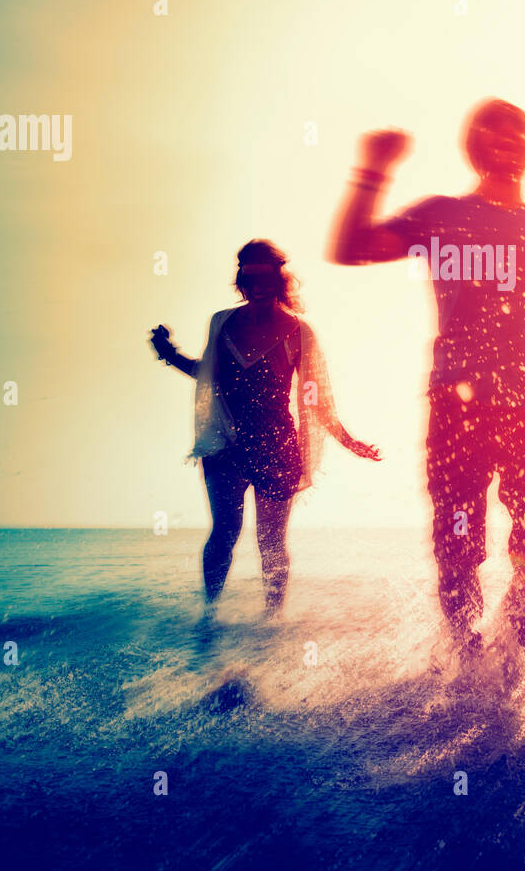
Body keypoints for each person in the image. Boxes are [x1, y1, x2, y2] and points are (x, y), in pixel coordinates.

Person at [328, 99, 525, 684]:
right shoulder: (441, 215)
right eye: (490, 131)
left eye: (518, 130)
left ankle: (507, 663)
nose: (505, 139)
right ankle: (470, 664)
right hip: (457, 408)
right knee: (457, 546)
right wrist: (372, 170)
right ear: (472, 146)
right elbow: (352, 247)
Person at [150, 240, 380, 612]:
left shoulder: (298, 332)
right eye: (248, 276)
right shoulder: (222, 323)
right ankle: (208, 619)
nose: (256, 285)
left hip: (277, 447)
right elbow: (208, 376)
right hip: (225, 443)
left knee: (270, 542)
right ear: (241, 280)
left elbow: (314, 397)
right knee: (225, 533)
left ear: (278, 280)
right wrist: (170, 355)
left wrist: (348, 440)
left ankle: (272, 625)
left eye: (265, 276)